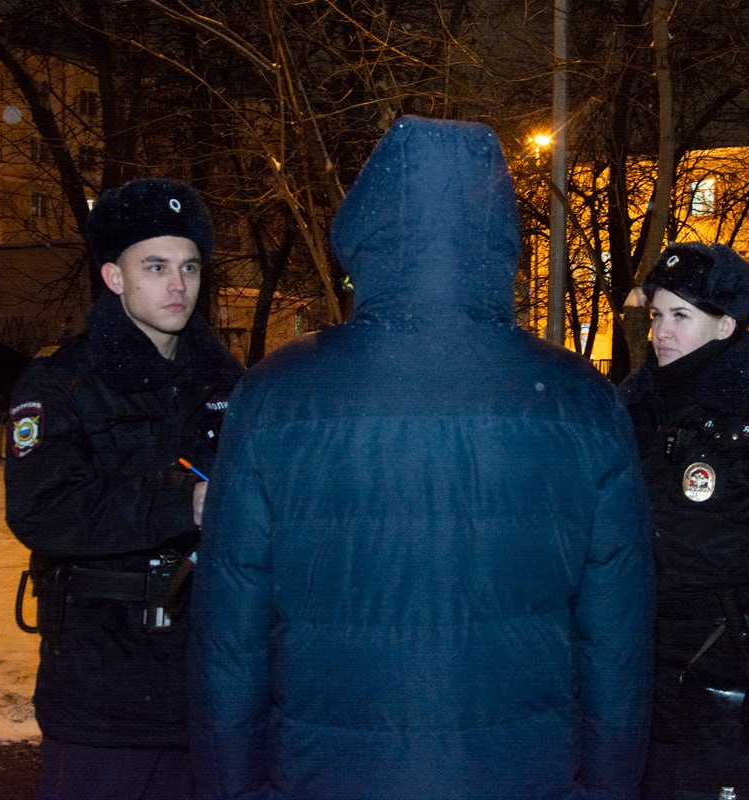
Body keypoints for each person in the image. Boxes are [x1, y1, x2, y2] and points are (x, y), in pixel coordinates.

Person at [188, 115, 654, 800]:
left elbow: (231, 636)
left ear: (368, 232)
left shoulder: (275, 395)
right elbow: (617, 642)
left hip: (327, 773)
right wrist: (609, 789)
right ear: (499, 238)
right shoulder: (583, 402)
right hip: (522, 773)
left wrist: (230, 787)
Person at [4, 177, 244, 800]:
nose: (177, 284)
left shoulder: (228, 382)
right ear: (114, 277)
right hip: (102, 689)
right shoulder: (61, 382)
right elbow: (41, 508)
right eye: (156, 266)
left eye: (189, 266)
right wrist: (183, 501)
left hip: (207, 682)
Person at [618, 242, 749, 800]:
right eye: (657, 315)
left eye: (681, 316)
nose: (661, 332)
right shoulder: (632, 410)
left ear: (725, 325)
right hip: (632, 657)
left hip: (720, 661)